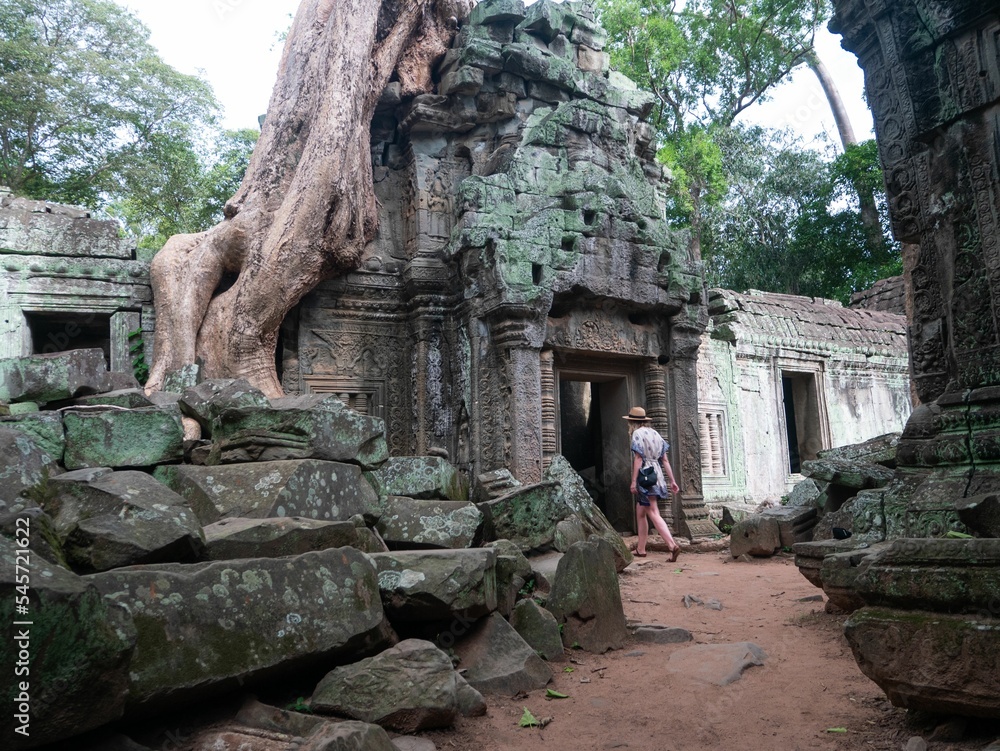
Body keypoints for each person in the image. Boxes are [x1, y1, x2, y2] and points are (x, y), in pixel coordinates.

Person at [624, 406, 681, 560]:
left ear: (632, 422)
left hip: (646, 476)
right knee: (641, 512)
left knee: (653, 512)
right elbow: (665, 460)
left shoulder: (637, 433)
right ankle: (641, 549)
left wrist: (634, 481)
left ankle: (672, 545)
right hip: (657, 475)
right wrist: (672, 480)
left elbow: (638, 459)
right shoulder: (655, 434)